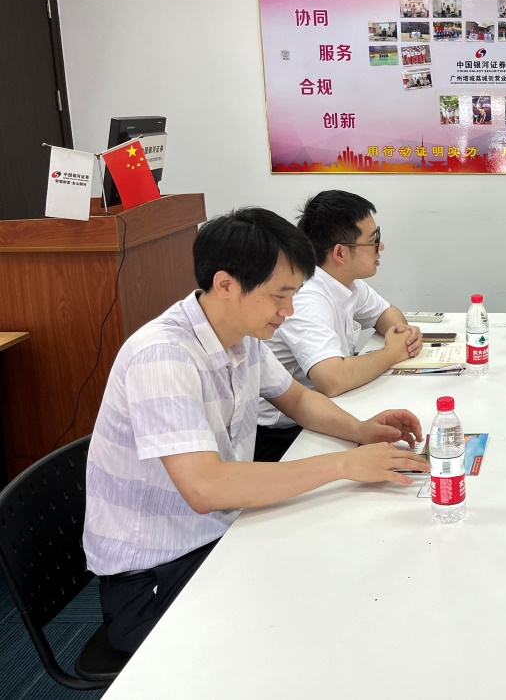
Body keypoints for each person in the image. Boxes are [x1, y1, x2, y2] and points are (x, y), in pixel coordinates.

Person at [83, 208, 427, 654]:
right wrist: (345, 463)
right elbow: (206, 488)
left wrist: (362, 430)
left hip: (221, 530)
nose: (289, 311)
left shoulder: (241, 334)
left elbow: (298, 400)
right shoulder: (163, 356)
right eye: (279, 295)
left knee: (348, 560)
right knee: (312, 620)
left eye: (294, 294)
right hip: (156, 576)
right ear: (226, 284)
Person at [256, 190, 423, 462]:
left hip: (324, 411)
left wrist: (402, 332)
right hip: (284, 435)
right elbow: (332, 380)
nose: (381, 247)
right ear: (340, 253)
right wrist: (392, 352)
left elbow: (385, 313)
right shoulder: (306, 295)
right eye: (374, 240)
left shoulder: (345, 282)